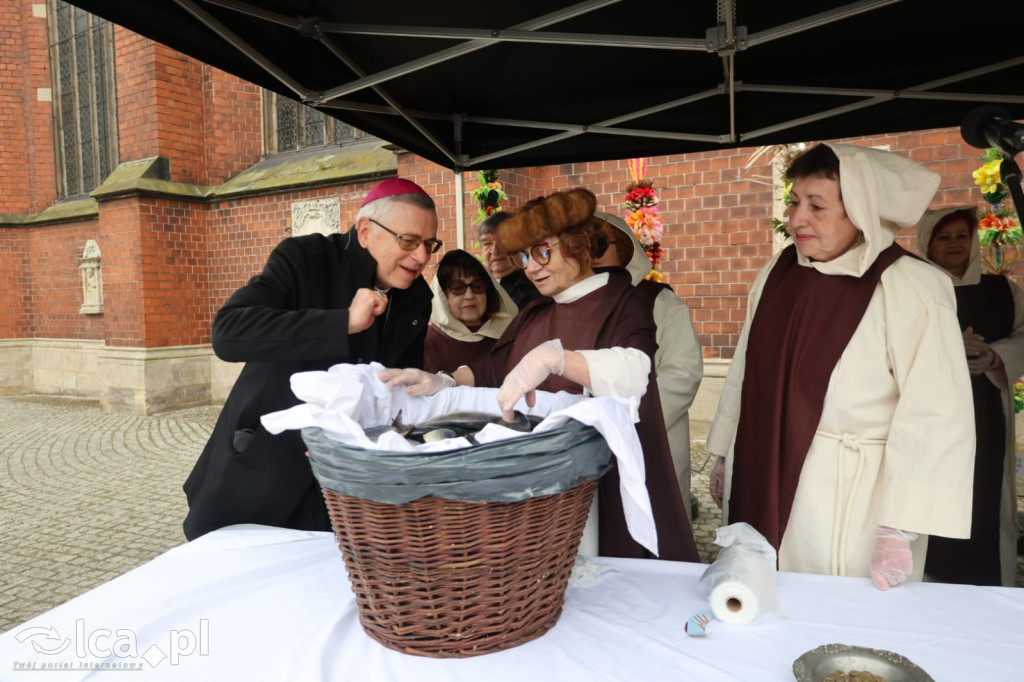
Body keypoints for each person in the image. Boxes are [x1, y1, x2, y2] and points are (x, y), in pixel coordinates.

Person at [707, 143, 976, 590]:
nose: (796, 218)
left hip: (850, 496)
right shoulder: (778, 271)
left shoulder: (910, 285)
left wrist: (900, 525)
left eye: (817, 206)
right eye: (795, 201)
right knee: (758, 600)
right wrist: (723, 452)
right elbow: (743, 369)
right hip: (761, 466)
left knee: (838, 617)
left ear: (863, 213)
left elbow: (936, 412)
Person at [383, 188, 700, 562]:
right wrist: (445, 381)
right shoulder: (535, 311)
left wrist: (560, 359)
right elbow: (496, 368)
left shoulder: (625, 301)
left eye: (542, 252)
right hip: (542, 488)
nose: (530, 267)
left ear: (579, 245)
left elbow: (636, 372)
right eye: (524, 255)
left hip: (602, 483)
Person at [182, 177, 440, 540]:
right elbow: (229, 332)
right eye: (409, 241)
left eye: (429, 244)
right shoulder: (305, 258)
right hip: (263, 470)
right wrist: (343, 323)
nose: (423, 257)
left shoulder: (416, 299)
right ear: (365, 231)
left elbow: (394, 393)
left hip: (343, 493)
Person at [917, 206, 1024, 586]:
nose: (954, 244)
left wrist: (994, 356)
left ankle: (987, 581)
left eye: (961, 236)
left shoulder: (1002, 290)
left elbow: (1022, 336)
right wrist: (948, 347)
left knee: (984, 495)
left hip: (986, 411)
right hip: (930, 415)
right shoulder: (913, 288)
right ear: (927, 242)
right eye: (944, 237)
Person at [592, 211, 704, 520]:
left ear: (626, 247)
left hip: (653, 437)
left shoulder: (660, 302)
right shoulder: (579, 305)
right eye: (583, 246)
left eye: (601, 244)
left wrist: (628, 420)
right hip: (595, 445)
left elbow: (683, 372)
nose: (592, 255)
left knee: (658, 527)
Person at [424, 248, 518, 374]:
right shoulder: (427, 343)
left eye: (477, 286)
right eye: (458, 288)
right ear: (443, 296)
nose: (469, 295)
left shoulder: (507, 337)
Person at [478, 211, 541, 309]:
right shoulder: (475, 289)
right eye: (487, 244)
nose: (495, 251)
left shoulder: (538, 289)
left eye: (502, 241)